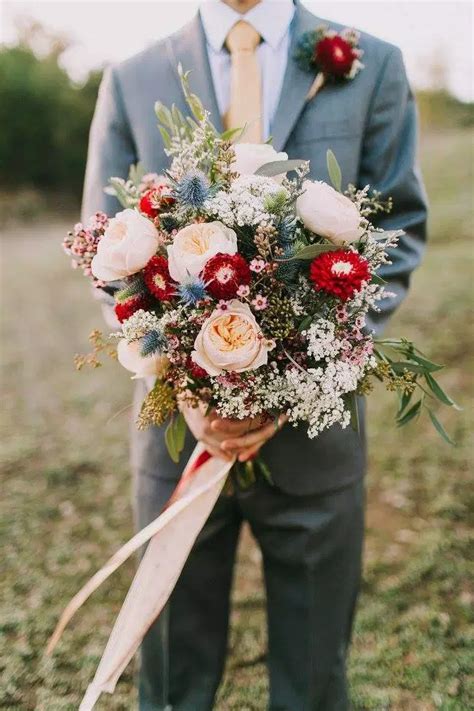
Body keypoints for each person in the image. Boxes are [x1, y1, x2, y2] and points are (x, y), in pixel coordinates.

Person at [82, 0, 427, 708]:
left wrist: (308, 366)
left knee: (313, 677)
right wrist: (181, 372)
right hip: (181, 437)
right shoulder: (132, 78)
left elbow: (402, 230)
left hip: (316, 438)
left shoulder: (374, 65)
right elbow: (102, 253)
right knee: (172, 677)